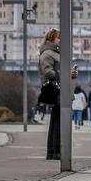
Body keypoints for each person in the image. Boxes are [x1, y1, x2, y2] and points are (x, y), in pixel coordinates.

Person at [38, 29, 62, 160]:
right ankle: (55, 151)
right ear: (52, 39)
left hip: (59, 89)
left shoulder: (55, 52)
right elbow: (48, 72)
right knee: (58, 122)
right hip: (55, 91)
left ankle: (53, 151)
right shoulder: (48, 53)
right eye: (59, 38)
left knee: (56, 121)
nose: (61, 40)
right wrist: (63, 73)